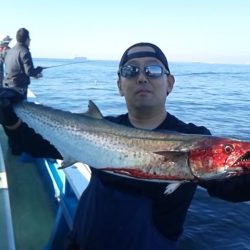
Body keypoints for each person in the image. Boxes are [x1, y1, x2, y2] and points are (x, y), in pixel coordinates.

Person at [0, 42, 249, 250]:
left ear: (170, 83)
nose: (142, 77)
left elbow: (231, 187)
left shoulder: (195, 138)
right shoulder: (98, 126)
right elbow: (36, 145)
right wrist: (11, 117)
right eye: (130, 71)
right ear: (120, 85)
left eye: (153, 70)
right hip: (82, 243)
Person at [2, 28, 43, 101]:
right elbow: (29, 72)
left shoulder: (9, 51)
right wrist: (39, 69)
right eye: (29, 39)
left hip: (6, 87)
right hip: (18, 90)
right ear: (27, 39)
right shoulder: (25, 52)